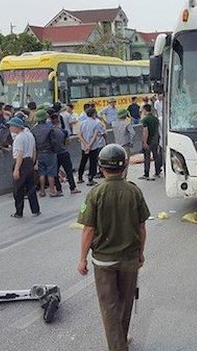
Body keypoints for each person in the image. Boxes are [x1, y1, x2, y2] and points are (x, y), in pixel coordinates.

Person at [77, 144, 149, 351]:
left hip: (104, 261)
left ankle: (118, 347)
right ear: (125, 166)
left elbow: (88, 230)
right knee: (125, 303)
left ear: (100, 167)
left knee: (109, 307)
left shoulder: (95, 193)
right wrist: (140, 253)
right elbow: (142, 227)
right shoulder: (134, 191)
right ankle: (122, 340)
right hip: (129, 259)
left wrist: (82, 259)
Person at [8, 116, 40, 219]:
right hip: (29, 161)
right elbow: (34, 150)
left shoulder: (19, 138)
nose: (10, 128)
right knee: (31, 187)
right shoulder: (29, 135)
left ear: (17, 127)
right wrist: (33, 162)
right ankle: (35, 209)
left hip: (21, 163)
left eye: (11, 126)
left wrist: (17, 169)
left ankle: (19, 212)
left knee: (18, 189)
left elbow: (19, 154)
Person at [31, 110, 63, 197]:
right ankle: (52, 191)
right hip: (49, 153)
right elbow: (54, 142)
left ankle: (42, 191)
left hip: (39, 153)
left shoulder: (33, 129)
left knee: (41, 173)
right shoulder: (50, 128)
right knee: (51, 173)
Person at [51, 113, 80, 195]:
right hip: (64, 152)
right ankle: (72, 188)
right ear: (59, 121)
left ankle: (59, 189)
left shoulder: (50, 132)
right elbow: (67, 143)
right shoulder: (64, 131)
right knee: (69, 171)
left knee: (55, 172)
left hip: (54, 154)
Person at [77, 107, 106, 186]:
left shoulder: (82, 123)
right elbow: (95, 135)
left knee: (83, 161)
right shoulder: (96, 123)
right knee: (93, 163)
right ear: (94, 114)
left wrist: (85, 145)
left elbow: (79, 135)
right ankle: (90, 179)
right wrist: (89, 145)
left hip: (84, 147)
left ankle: (80, 177)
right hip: (93, 147)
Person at [139, 104, 162, 180]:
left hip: (149, 140)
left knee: (147, 157)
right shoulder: (155, 119)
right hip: (156, 139)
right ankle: (157, 172)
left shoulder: (145, 120)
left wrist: (145, 142)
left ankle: (146, 173)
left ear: (145, 110)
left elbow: (145, 131)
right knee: (156, 156)